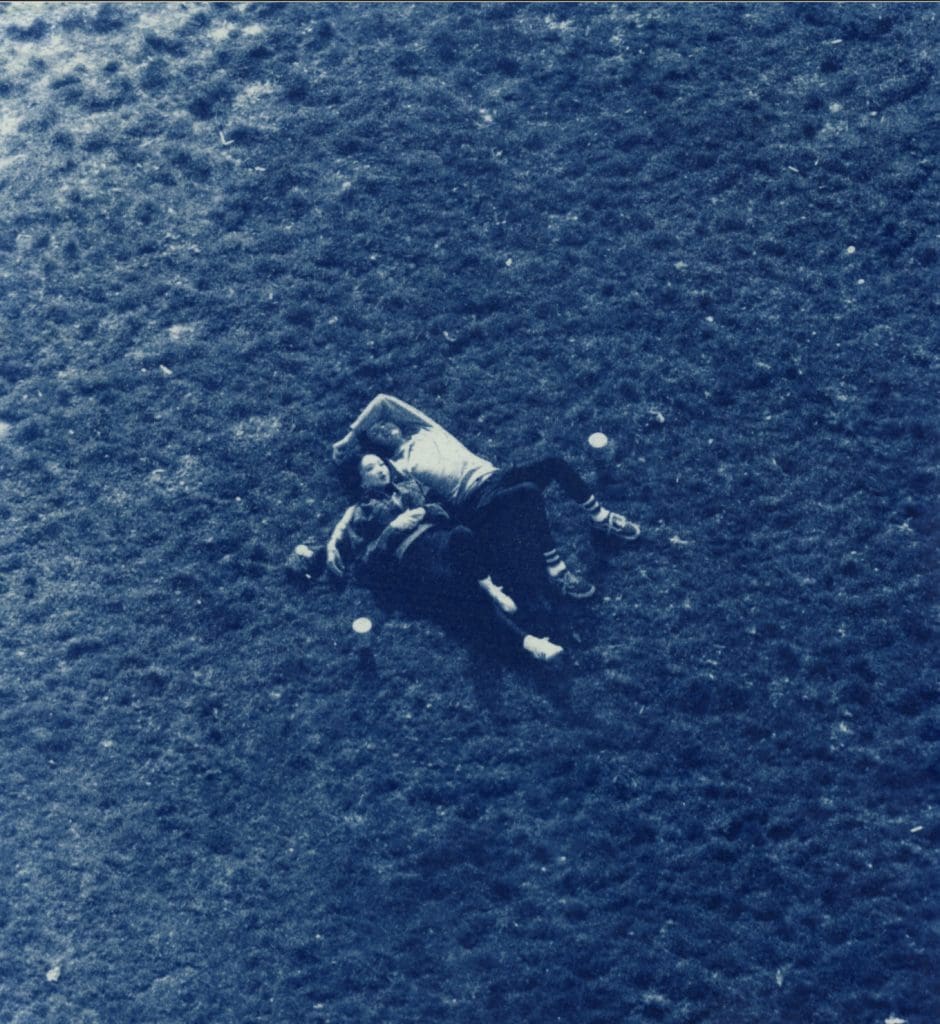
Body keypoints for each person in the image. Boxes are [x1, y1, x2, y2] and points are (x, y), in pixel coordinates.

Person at [331, 394, 641, 599]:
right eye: (376, 434)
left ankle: (600, 517)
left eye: (384, 424)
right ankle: (556, 571)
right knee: (529, 494)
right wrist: (336, 537)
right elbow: (366, 500)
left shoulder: (424, 428)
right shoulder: (398, 468)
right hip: (474, 503)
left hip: (496, 476)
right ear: (380, 452)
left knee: (553, 463)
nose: (383, 429)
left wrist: (350, 435)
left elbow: (383, 401)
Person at [323, 453, 566, 663]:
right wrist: (393, 529)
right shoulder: (360, 514)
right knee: (462, 590)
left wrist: (425, 511)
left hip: (441, 537)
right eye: (370, 469)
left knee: (463, 535)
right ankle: (531, 643)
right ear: (362, 481)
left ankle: (492, 588)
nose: (379, 470)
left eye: (381, 464)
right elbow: (369, 561)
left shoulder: (409, 486)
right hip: (415, 555)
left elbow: (444, 511)